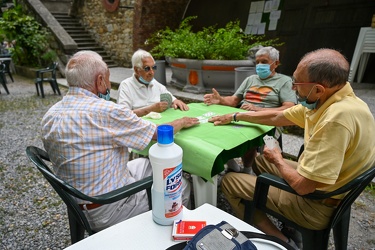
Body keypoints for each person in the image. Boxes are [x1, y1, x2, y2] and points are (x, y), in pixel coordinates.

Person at [208, 48, 375, 249]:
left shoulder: (335, 119)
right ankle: (286, 221)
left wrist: (278, 158)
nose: (294, 88)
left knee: (230, 181)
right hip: (330, 185)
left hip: (316, 203)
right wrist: (235, 116)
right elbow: (279, 116)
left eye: (297, 83)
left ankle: (282, 242)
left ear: (319, 89)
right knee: (261, 160)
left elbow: (304, 186)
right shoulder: (338, 99)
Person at [41, 50, 200, 232]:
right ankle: (171, 235)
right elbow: (156, 134)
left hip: (77, 200)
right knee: (180, 184)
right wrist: (181, 121)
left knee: (145, 163)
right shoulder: (107, 111)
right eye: (108, 78)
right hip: (110, 207)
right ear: (100, 81)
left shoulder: (50, 114)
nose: (109, 84)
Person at [204, 46, 296, 174]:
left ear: (275, 63)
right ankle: (230, 163)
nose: (259, 65)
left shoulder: (284, 81)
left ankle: (247, 170)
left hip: (267, 119)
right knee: (219, 128)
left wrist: (257, 109)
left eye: (264, 62)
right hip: (242, 115)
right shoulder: (250, 79)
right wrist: (221, 100)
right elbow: (234, 100)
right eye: (257, 62)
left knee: (248, 137)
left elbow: (289, 108)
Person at [117, 49, 189, 117]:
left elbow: (171, 98)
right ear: (136, 70)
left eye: (153, 67)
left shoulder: (155, 83)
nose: (152, 72)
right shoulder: (126, 86)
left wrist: (176, 101)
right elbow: (123, 115)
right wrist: (150, 110)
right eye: (147, 68)